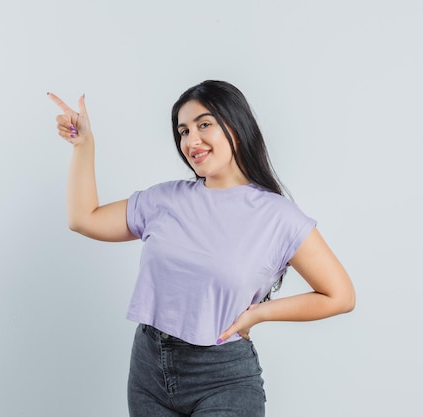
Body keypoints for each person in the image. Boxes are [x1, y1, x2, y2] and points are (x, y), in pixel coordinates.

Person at [47, 80, 355, 417]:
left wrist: (260, 313)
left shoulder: (279, 217)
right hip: (150, 367)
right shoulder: (165, 199)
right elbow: (83, 219)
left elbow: (339, 296)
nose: (191, 141)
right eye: (183, 131)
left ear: (235, 126)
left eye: (204, 124)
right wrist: (83, 146)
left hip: (223, 377)